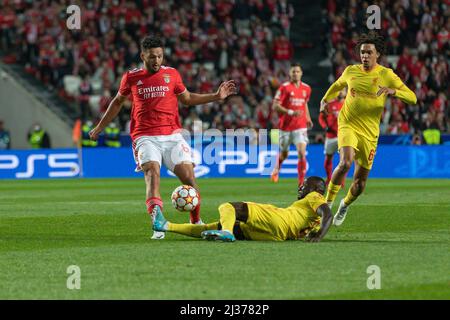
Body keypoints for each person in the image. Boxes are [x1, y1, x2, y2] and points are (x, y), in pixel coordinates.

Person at [89, 36, 236, 240]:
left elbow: (187, 99)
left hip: (172, 135)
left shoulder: (172, 74)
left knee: (189, 179)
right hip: (145, 135)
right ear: (143, 56)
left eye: (159, 56)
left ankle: (195, 222)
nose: (156, 60)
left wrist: (216, 96)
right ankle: (158, 223)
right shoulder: (131, 77)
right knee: (152, 173)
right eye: (151, 57)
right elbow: (117, 102)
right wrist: (99, 127)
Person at [320, 31, 417, 226]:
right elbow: (337, 85)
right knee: (345, 163)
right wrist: (325, 99)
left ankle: (344, 205)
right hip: (348, 124)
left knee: (359, 183)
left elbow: (413, 98)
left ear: (377, 54)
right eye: (362, 52)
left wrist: (394, 91)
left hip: (370, 133)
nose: (364, 56)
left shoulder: (386, 75)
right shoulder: (351, 71)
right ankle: (327, 205)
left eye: (369, 52)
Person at [152, 176, 332, 242]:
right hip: (278, 236)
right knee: (214, 227)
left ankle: (227, 232)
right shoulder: (311, 216)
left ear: (316, 189)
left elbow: (328, 214)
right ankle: (165, 225)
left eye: (304, 185)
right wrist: (315, 232)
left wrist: (320, 234)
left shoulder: (315, 196)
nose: (300, 188)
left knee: (229, 207)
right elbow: (319, 220)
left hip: (280, 219)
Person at [270, 63, 313, 185]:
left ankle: (301, 183)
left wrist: (308, 117)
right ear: (289, 74)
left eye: (297, 71)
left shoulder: (307, 88)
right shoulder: (284, 88)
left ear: (301, 73)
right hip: (285, 127)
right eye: (293, 72)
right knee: (284, 153)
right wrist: (290, 112)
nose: (295, 74)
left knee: (301, 152)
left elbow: (305, 103)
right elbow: (275, 106)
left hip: (300, 126)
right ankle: (276, 169)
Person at [318, 91, 345, 186]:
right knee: (328, 159)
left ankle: (341, 180)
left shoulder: (348, 104)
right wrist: (325, 126)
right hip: (331, 136)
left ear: (346, 92)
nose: (340, 92)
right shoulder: (329, 104)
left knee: (344, 160)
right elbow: (321, 118)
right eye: (339, 90)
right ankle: (329, 178)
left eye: (343, 90)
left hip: (343, 136)